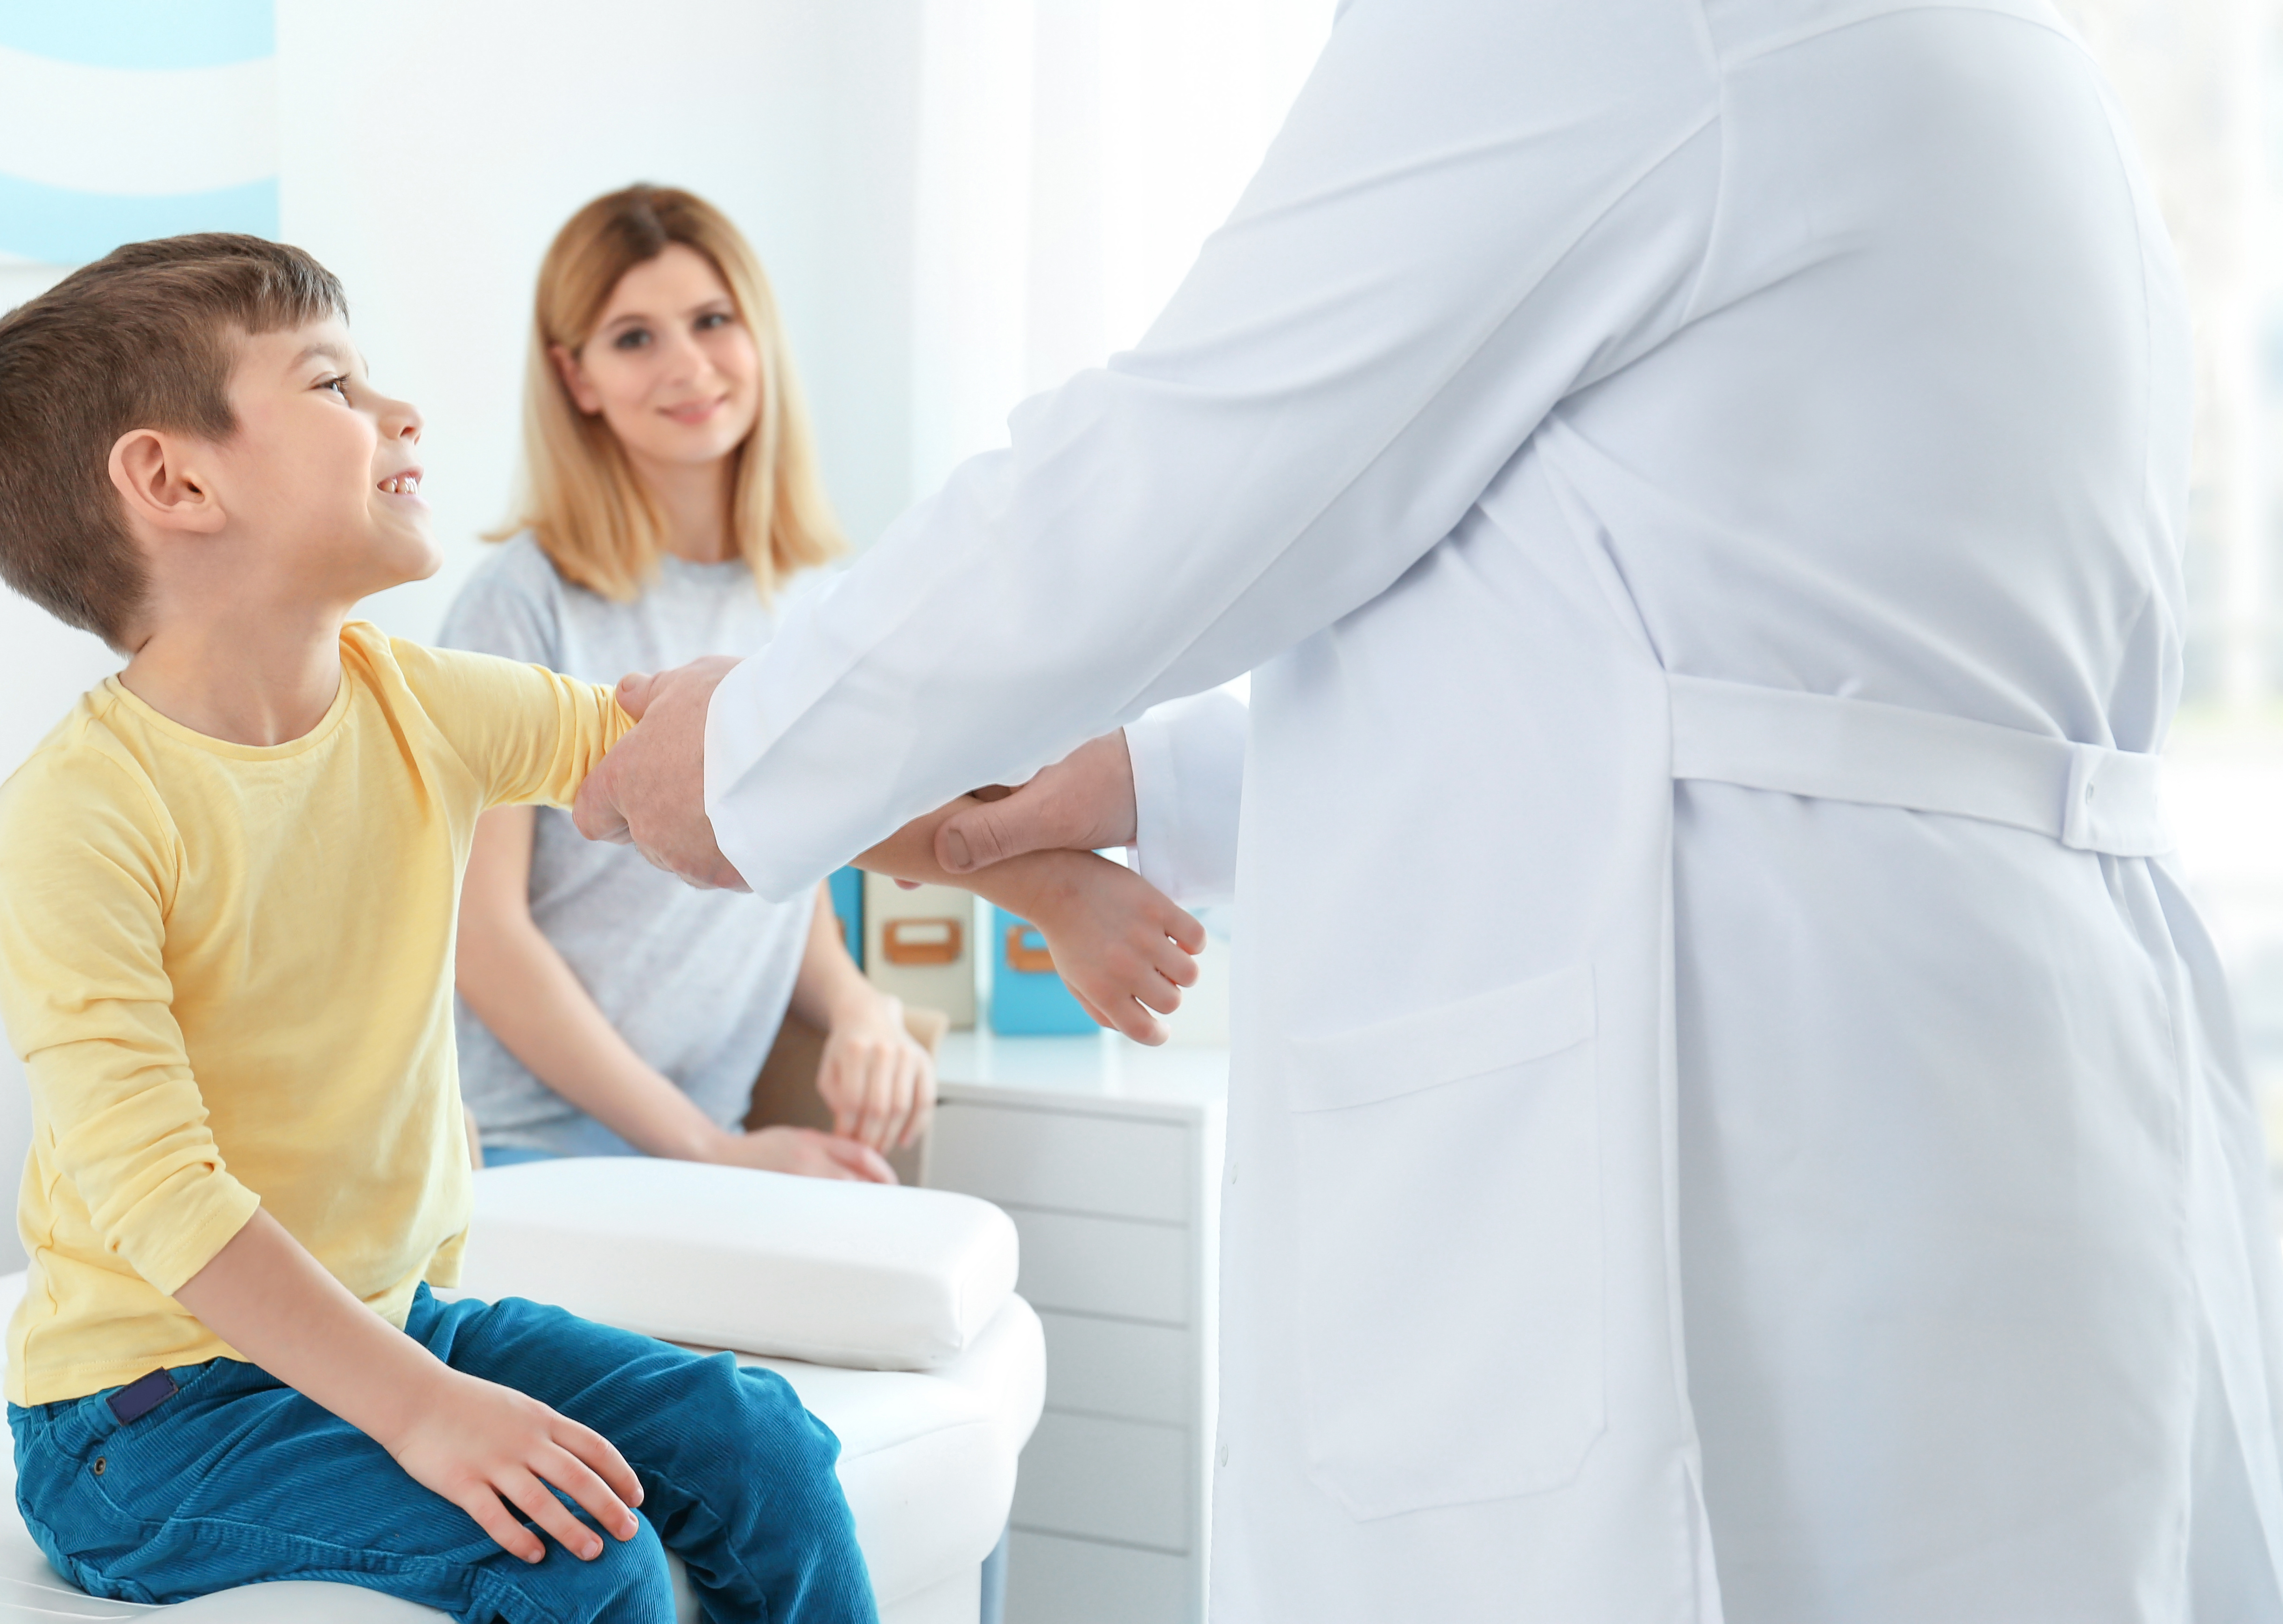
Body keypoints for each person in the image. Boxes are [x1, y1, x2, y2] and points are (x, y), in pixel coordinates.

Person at [574, 2, 2283, 1620]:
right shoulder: (1999, 61)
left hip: (1785, 1134)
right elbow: (1678, 645)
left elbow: (1187, 466)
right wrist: (1153, 784)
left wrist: (753, 754)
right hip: (1972, 1088)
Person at [0, 233, 1199, 1619]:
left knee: (760, 1445)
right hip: (148, 1417)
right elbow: (162, 1201)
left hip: (392, 1319)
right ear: (172, 480)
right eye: (333, 384)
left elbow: (717, 765)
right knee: (574, 1553)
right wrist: (427, 1412)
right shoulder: (84, 818)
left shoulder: (418, 704)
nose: (399, 414)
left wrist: (1020, 871)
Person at [445, 186, 929, 1183]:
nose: (689, 366)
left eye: (712, 321)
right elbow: (481, 934)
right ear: (576, 378)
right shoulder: (521, 606)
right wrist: (710, 1150)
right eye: (634, 339)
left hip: (705, 1149)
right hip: (530, 1147)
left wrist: (860, 1008)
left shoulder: (814, 606)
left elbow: (778, 881)